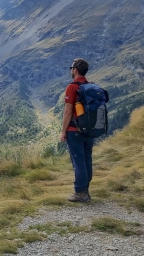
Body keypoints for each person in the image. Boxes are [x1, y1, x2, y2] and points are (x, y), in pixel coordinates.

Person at [60, 58, 93, 202]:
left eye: (71, 68)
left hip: (75, 130)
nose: (70, 70)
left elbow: (68, 112)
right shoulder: (90, 86)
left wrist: (63, 132)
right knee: (86, 160)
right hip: (90, 130)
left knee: (78, 161)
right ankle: (86, 190)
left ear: (75, 70)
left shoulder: (72, 87)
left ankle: (80, 193)